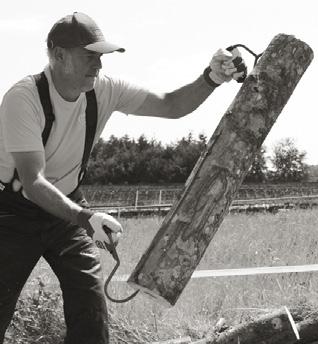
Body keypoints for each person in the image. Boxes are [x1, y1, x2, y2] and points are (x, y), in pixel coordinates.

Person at [0, 12, 247, 344]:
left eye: (101, 57)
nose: (99, 65)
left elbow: (171, 105)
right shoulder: (23, 98)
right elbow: (33, 181)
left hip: (69, 207)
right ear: (58, 55)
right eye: (90, 56)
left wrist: (212, 78)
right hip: (13, 213)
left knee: (90, 304)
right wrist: (85, 217)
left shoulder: (105, 90)